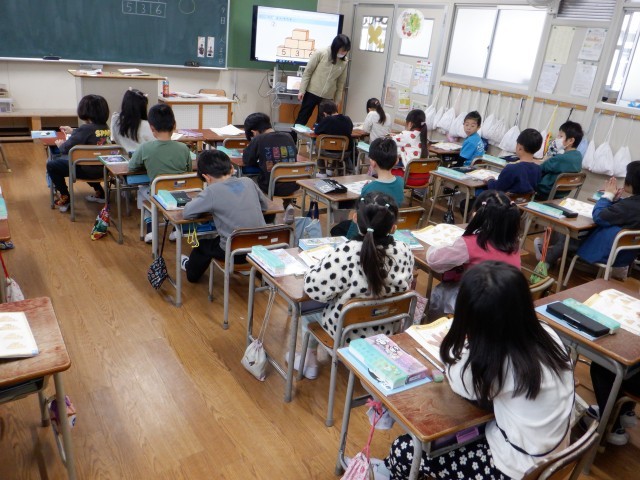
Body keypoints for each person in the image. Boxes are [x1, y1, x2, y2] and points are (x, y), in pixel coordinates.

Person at [382, 261, 574, 480]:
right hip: (553, 457)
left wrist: (455, 350)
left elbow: (459, 382)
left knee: (404, 450)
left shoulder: (493, 362)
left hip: (514, 468)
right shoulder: (548, 335)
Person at [296, 192, 414, 379]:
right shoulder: (404, 250)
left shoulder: (346, 252)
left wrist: (312, 269)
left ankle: (309, 360)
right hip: (387, 329)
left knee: (308, 310)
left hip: (346, 334)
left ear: (354, 218)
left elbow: (314, 289)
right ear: (393, 227)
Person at [426, 190, 521, 318]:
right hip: (507, 304)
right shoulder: (514, 243)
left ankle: (437, 325)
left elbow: (434, 261)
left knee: (439, 292)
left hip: (478, 307)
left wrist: (438, 244)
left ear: (477, 213)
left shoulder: (471, 243)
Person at [536, 161, 640, 277]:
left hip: (603, 251)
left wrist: (607, 196)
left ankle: (545, 257)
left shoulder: (629, 206)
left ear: (632, 182)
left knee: (571, 233)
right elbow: (623, 213)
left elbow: (599, 217)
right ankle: (543, 248)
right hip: (624, 256)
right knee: (571, 230)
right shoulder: (632, 204)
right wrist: (615, 200)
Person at [180, 150, 270, 283]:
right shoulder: (248, 182)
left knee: (202, 246)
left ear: (206, 177)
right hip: (260, 247)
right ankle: (246, 268)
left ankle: (191, 273)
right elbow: (265, 207)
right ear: (232, 168)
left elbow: (187, 213)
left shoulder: (211, 191)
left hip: (234, 251)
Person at [128, 103, 192, 243]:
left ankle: (151, 229)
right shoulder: (184, 148)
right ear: (174, 125)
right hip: (181, 193)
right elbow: (188, 172)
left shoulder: (145, 147)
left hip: (158, 195)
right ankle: (176, 230)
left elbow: (131, 167)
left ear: (152, 128)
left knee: (142, 190)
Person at [47, 94, 112, 213]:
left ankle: (65, 196)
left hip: (87, 171)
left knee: (52, 165)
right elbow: (91, 135)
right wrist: (73, 131)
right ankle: (100, 192)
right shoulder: (105, 127)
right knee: (89, 160)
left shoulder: (85, 128)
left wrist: (60, 145)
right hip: (104, 170)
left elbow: (65, 149)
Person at [330, 138, 405, 238]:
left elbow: (359, 218)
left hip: (369, 229)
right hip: (387, 227)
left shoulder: (369, 188)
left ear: (372, 163)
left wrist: (350, 239)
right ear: (396, 161)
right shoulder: (400, 182)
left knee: (337, 229)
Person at [293, 34, 351, 128]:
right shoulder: (321, 53)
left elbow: (340, 83)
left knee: (323, 123)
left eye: (346, 51)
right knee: (302, 118)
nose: (344, 53)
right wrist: (302, 90)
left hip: (328, 97)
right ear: (336, 47)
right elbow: (308, 72)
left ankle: (318, 138)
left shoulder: (344, 62)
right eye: (342, 50)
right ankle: (294, 137)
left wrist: (337, 101)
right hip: (312, 92)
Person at [242, 112, 299, 198]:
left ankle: (261, 204)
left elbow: (247, 161)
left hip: (271, 187)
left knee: (248, 178)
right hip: (293, 185)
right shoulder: (288, 136)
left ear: (254, 132)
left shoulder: (259, 139)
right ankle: (287, 204)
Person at [535, 120, 583, 200]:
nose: (557, 138)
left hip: (544, 192)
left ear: (571, 140)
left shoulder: (560, 158)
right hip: (560, 195)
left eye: (560, 136)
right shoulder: (578, 156)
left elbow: (540, 169)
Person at [486, 128, 543, 194]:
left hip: (505, 200)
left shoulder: (511, 168)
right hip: (525, 200)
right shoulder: (538, 169)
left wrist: (490, 180)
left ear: (519, 148)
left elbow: (496, 189)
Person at [314, 100, 354, 175]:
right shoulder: (347, 119)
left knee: (318, 146)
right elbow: (350, 131)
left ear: (324, 113)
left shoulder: (327, 120)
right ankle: (330, 170)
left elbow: (317, 131)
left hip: (329, 153)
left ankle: (322, 172)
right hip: (345, 153)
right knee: (337, 145)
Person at [391, 109, 430, 187]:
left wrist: (393, 136)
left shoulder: (406, 135)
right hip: (425, 178)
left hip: (410, 178)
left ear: (410, 124)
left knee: (386, 171)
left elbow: (390, 142)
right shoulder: (424, 137)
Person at [110, 88, 154, 154]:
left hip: (122, 157)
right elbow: (155, 144)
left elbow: (113, 139)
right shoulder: (146, 125)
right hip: (142, 158)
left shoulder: (115, 119)